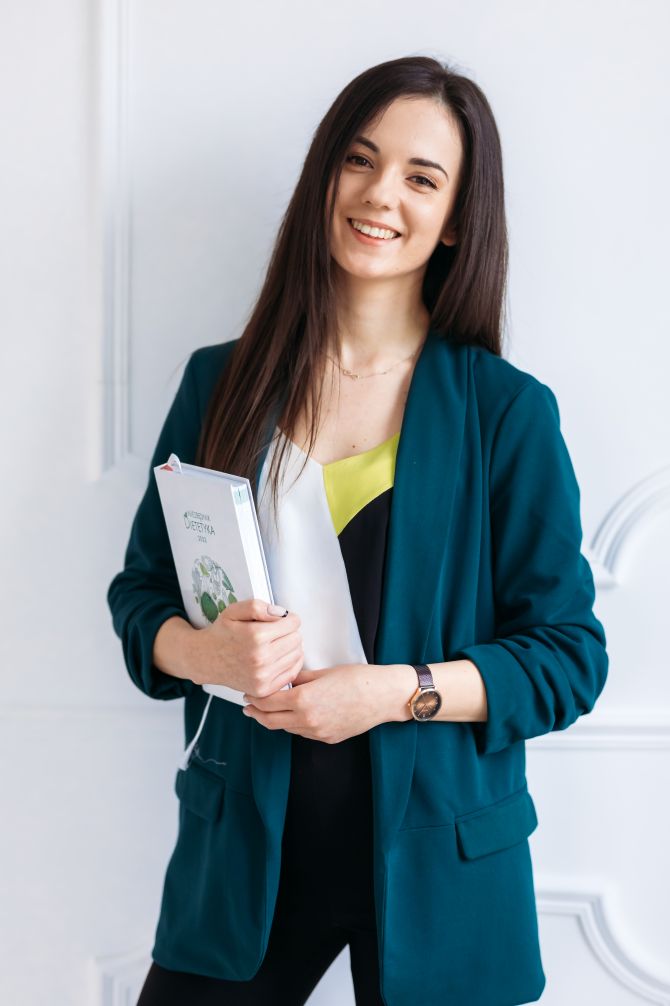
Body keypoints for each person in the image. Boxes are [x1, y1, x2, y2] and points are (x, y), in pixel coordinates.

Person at [106, 55, 609, 1006]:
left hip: (443, 872)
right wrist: (206, 653)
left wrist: (392, 694)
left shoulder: (505, 412)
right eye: (360, 160)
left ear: (455, 218)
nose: (381, 194)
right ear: (325, 175)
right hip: (243, 860)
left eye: (422, 177)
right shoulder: (221, 385)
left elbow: (568, 658)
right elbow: (141, 599)